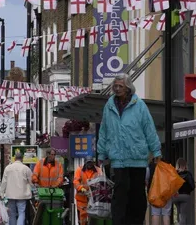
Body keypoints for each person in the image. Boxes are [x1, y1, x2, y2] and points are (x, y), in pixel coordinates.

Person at [97, 74, 161, 225]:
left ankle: (136, 222)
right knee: (120, 192)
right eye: (115, 86)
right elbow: (104, 130)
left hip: (137, 158)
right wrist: (101, 152)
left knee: (137, 194)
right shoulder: (109, 106)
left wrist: (156, 150)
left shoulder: (139, 105)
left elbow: (149, 129)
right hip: (118, 158)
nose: (117, 89)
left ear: (128, 88)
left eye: (120, 86)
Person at [0, 152, 33, 225]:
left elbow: (4, 182)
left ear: (14, 158)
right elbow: (31, 182)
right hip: (22, 195)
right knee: (21, 212)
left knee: (12, 213)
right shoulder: (26, 168)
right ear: (22, 159)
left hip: (11, 194)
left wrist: (1, 193)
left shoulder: (8, 168)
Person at [73, 160, 100, 225]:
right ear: (85, 163)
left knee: (93, 217)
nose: (89, 165)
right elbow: (75, 182)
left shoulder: (98, 170)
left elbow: (101, 182)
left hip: (93, 199)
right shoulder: (79, 170)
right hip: (82, 199)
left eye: (91, 163)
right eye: (88, 163)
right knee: (82, 217)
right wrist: (82, 188)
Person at [146, 160, 173, 225]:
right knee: (166, 214)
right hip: (166, 193)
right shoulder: (168, 166)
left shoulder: (150, 167)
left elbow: (146, 180)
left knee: (155, 214)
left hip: (154, 193)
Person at [172, 158, 195, 225]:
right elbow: (192, 186)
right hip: (185, 196)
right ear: (185, 165)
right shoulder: (188, 174)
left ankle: (178, 223)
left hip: (175, 196)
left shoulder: (174, 173)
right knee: (183, 215)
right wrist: (187, 190)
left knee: (178, 214)